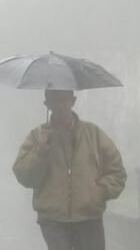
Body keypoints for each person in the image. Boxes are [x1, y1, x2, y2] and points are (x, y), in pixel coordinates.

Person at [13, 88, 126, 250]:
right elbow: (24, 176)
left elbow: (117, 171)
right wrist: (40, 150)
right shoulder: (37, 136)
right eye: (55, 100)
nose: (60, 105)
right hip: (53, 220)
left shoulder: (93, 134)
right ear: (47, 104)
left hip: (89, 217)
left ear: (73, 101)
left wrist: (100, 191)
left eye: (64, 99)